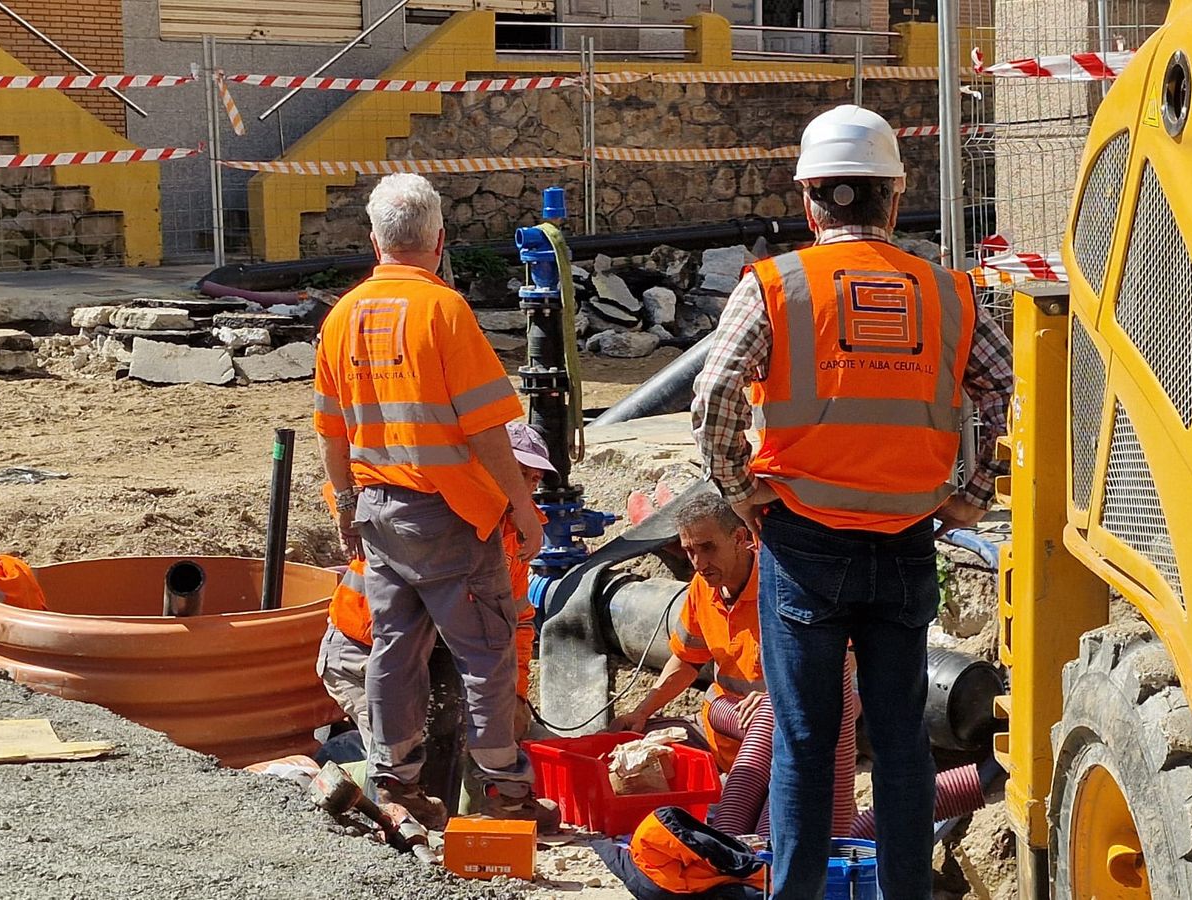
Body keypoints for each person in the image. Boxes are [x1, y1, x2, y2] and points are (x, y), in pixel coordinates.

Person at [691, 105, 1014, 897]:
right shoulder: (950, 293)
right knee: (902, 737)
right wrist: (969, 496)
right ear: (894, 201)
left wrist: (742, 496)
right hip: (905, 542)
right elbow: (1007, 384)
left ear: (809, 201)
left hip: (802, 543)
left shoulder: (775, 286)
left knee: (803, 739)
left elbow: (713, 396)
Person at [312, 172, 552, 832]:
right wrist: (522, 509)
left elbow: (332, 433)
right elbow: (485, 429)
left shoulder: (341, 318)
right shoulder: (444, 311)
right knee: (487, 656)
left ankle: (398, 785)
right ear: (440, 240)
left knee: (395, 650)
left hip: (379, 513)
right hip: (449, 515)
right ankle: (506, 792)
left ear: (374, 241)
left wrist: (344, 510)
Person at [607, 493, 857, 839]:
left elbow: (844, 669)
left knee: (781, 832)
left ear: (740, 538)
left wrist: (774, 699)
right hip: (728, 742)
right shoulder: (702, 589)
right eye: (690, 550)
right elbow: (686, 661)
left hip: (780, 753)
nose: (697, 562)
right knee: (642, 753)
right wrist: (642, 711)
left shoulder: (786, 586)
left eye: (707, 547)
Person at [316, 422, 556, 763]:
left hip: (431, 662)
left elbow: (515, 622)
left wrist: (515, 697)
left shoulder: (515, 534)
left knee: (489, 748)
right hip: (362, 655)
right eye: (518, 472)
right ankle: (347, 781)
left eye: (534, 478)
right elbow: (349, 485)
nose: (526, 485)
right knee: (398, 761)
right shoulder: (428, 507)